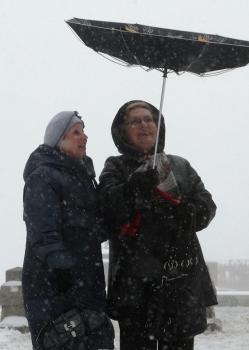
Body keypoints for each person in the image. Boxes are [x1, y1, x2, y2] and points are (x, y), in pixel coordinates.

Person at [98, 100, 217, 350]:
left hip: (180, 279)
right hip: (136, 284)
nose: (144, 126)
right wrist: (135, 187)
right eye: (135, 121)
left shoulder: (180, 165)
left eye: (149, 119)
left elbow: (207, 203)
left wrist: (192, 211)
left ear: (158, 126)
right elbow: (109, 207)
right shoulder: (115, 166)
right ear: (123, 130)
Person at [22, 111, 115, 349]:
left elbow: (94, 231)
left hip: (89, 285)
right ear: (58, 141)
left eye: (83, 131)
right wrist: (65, 276)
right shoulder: (43, 177)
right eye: (76, 132)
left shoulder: (85, 179)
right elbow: (43, 235)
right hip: (54, 290)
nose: (84, 136)